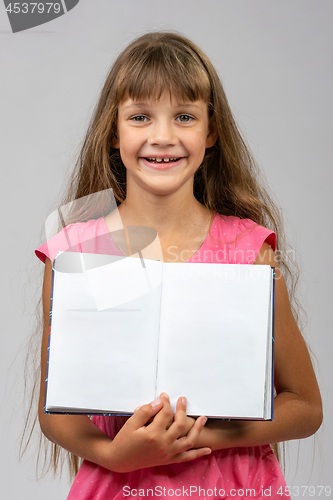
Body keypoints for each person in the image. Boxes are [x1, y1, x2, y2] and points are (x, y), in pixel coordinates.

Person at [33, 32, 322, 499]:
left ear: (211, 132)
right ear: (114, 130)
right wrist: (114, 455)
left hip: (235, 487)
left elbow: (305, 407)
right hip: (120, 485)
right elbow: (54, 412)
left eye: (184, 116)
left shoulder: (249, 250)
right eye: (140, 116)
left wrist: (193, 437)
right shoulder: (75, 254)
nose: (162, 136)